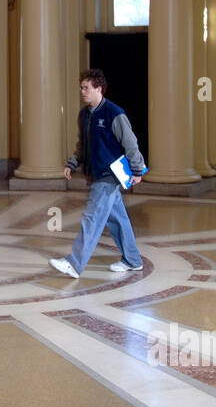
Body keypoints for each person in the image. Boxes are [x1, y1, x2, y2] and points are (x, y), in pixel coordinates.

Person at [49, 69, 146, 279]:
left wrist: (137, 169)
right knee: (117, 219)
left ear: (98, 89)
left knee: (91, 218)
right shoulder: (84, 114)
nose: (82, 91)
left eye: (86, 88)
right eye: (81, 87)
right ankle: (133, 260)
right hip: (94, 174)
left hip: (108, 176)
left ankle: (74, 263)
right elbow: (82, 143)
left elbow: (130, 143)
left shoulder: (114, 113)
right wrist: (73, 162)